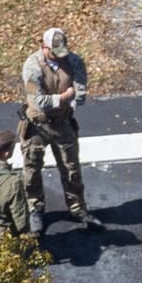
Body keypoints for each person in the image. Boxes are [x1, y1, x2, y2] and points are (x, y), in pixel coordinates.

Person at [18, 27, 103, 232]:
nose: (59, 56)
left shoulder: (73, 61)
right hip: (37, 126)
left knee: (71, 168)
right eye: (54, 52)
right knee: (32, 170)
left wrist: (70, 98)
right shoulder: (32, 66)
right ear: (44, 47)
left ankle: (77, 207)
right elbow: (38, 102)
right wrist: (64, 97)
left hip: (63, 123)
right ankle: (35, 209)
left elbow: (80, 93)